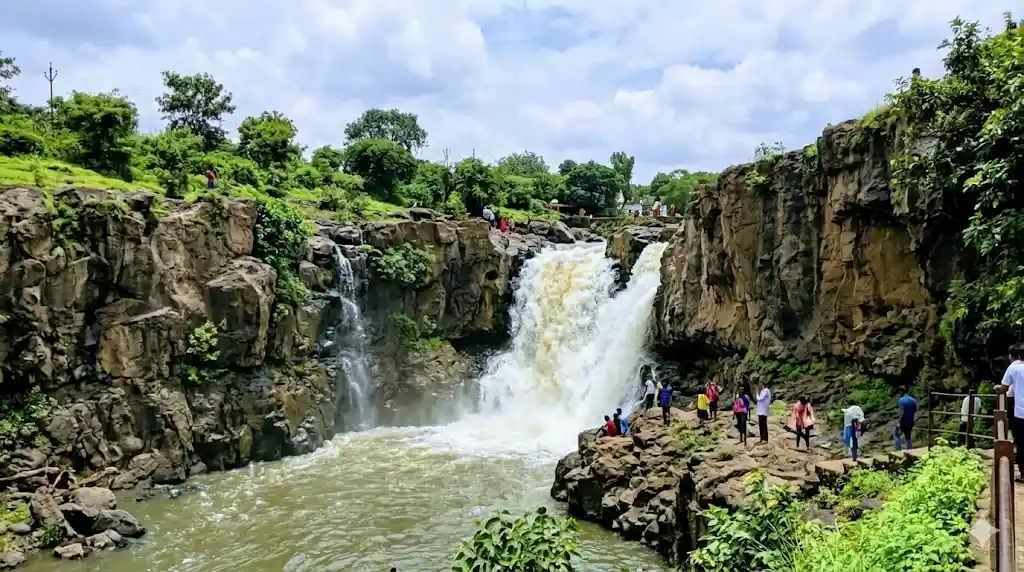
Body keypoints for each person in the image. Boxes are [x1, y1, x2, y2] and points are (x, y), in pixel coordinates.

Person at [999, 344, 1024, 482]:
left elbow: (1004, 387)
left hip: (1021, 412)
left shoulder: (1014, 368)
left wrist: (997, 389)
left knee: (1021, 444)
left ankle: (1023, 474)